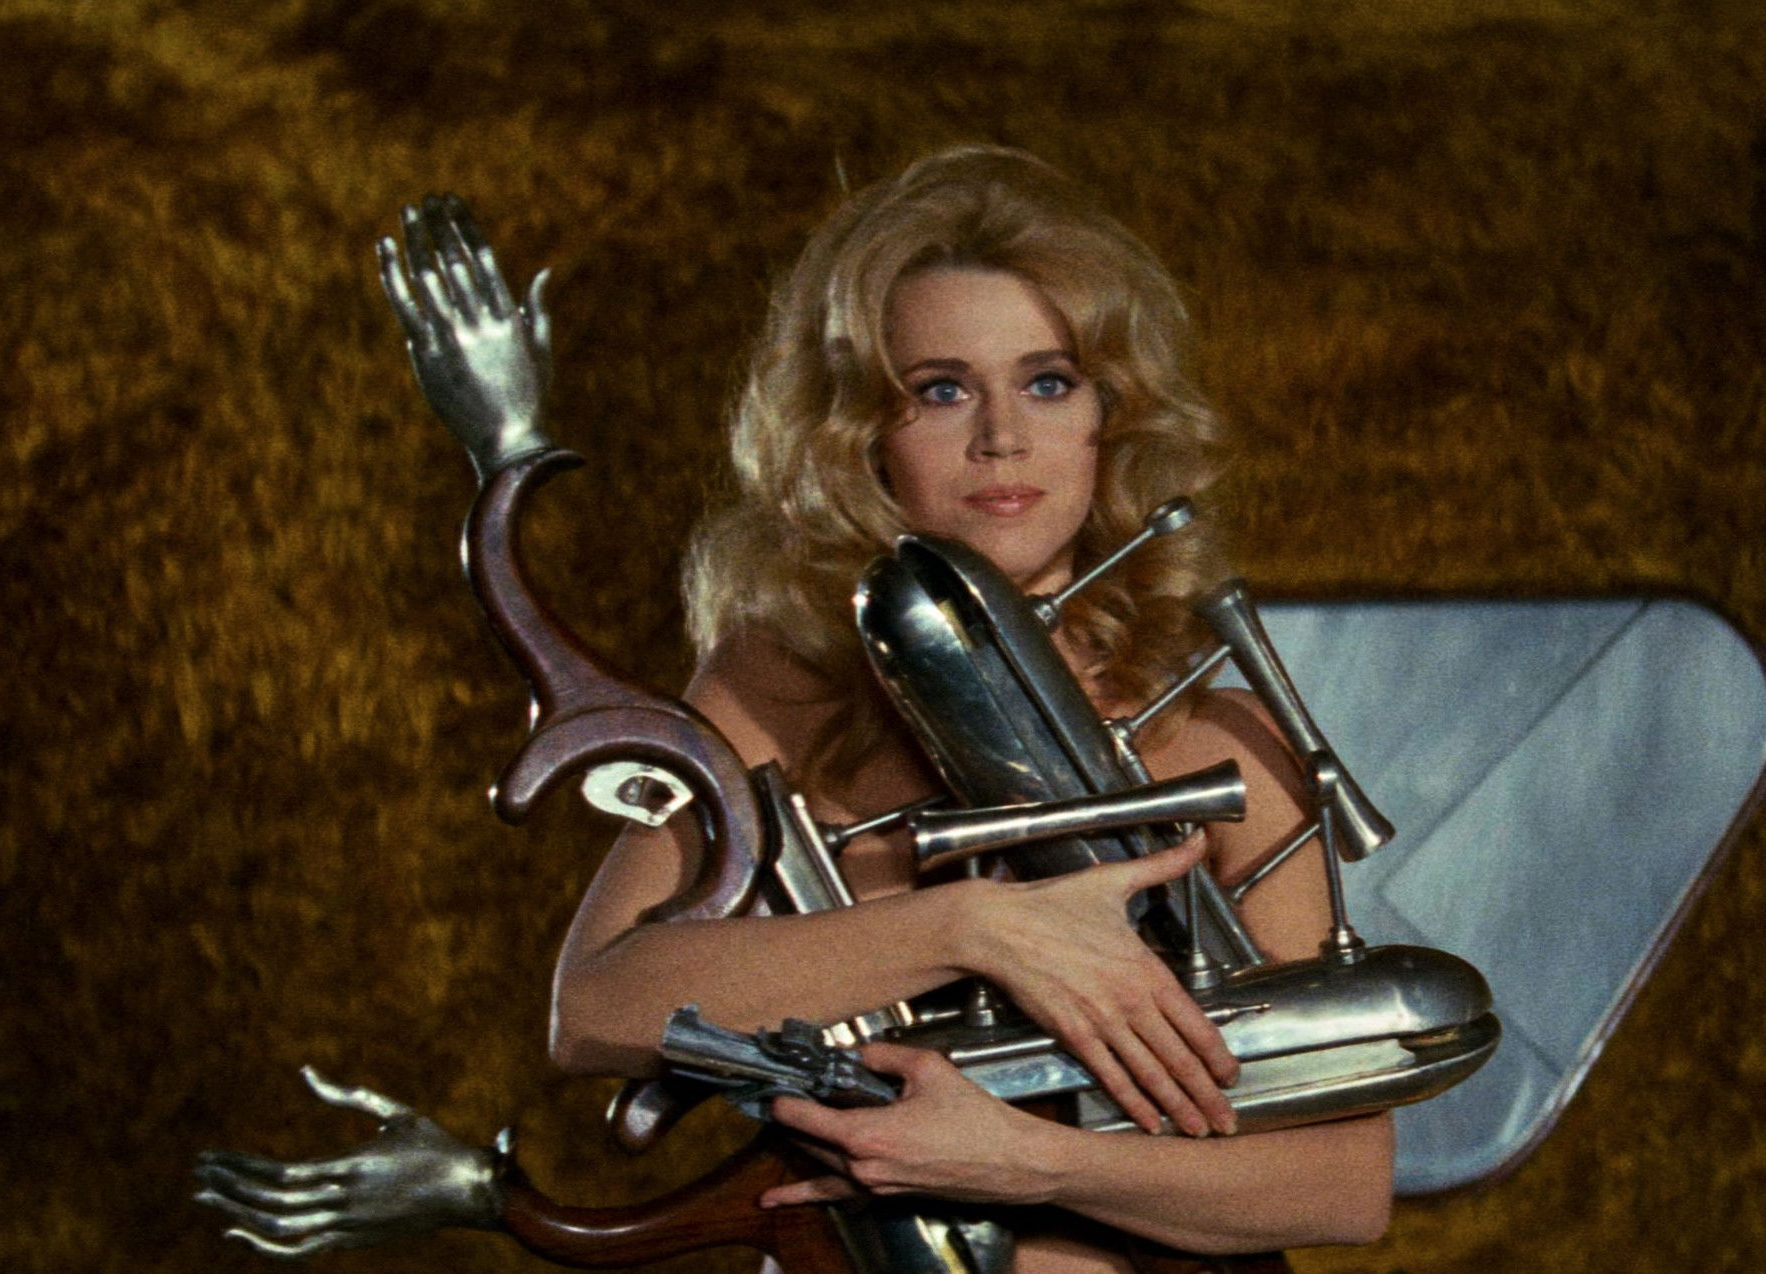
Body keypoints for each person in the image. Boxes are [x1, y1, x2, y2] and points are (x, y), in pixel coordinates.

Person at [544, 146, 1395, 1272]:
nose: (1001, 437)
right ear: (861, 433)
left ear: (1112, 417)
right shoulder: (774, 689)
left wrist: (1023, 1162)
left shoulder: (1217, 738)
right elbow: (595, 1010)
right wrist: (974, 928)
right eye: (940, 390)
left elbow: (1344, 1186)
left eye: (1049, 381)